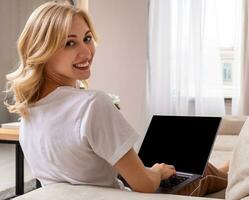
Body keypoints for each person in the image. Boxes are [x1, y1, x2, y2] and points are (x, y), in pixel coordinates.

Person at [5, 1, 228, 196]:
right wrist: (156, 173)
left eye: (87, 38)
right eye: (70, 43)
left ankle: (228, 169)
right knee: (203, 171)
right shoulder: (92, 104)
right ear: (43, 50)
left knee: (203, 167)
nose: (86, 52)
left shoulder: (28, 111)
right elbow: (144, 185)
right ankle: (236, 172)